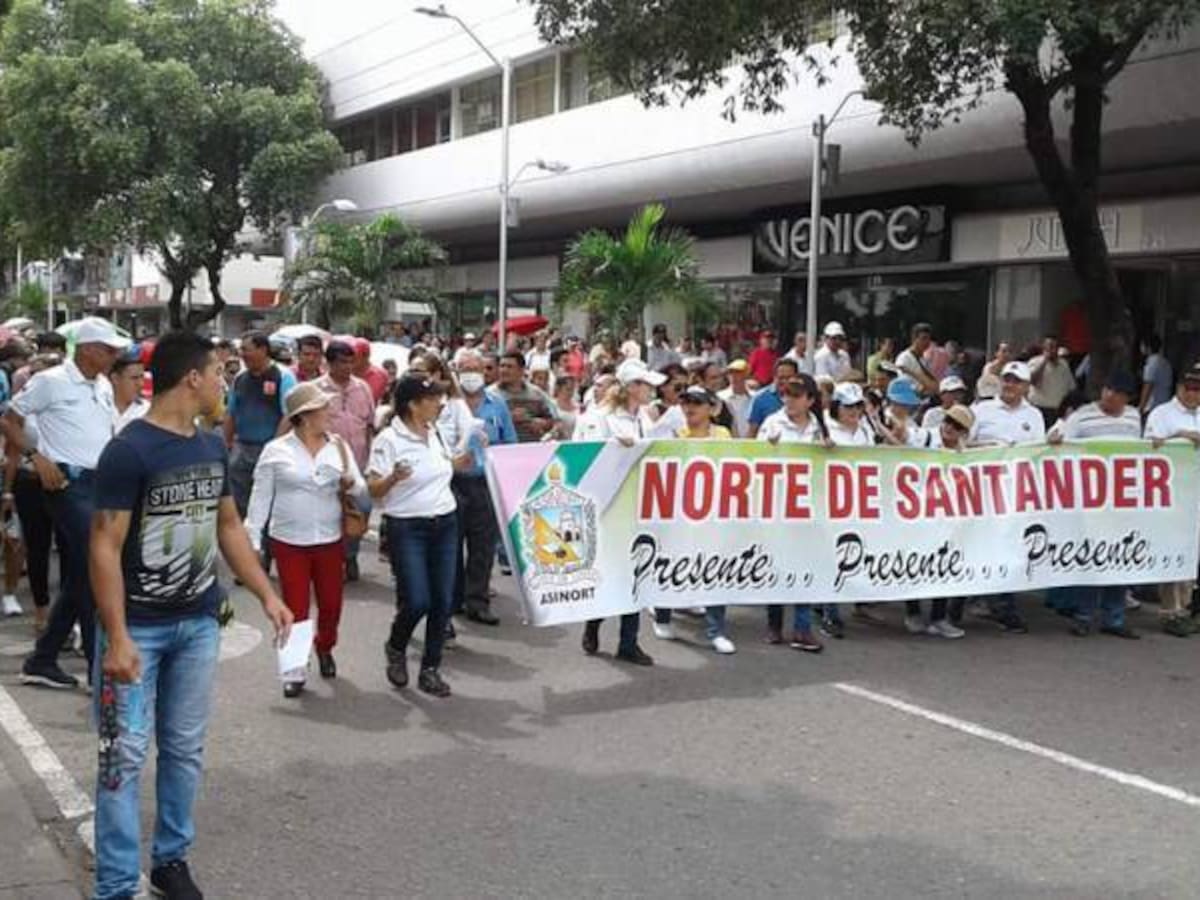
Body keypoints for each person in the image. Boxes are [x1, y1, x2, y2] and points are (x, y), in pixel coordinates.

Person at [90, 331, 292, 900]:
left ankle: (170, 861)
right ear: (192, 379)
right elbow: (104, 544)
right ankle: (113, 885)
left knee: (183, 750)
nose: (225, 383)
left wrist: (266, 593)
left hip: (198, 625)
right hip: (140, 631)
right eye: (218, 372)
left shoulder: (207, 447)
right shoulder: (129, 450)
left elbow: (227, 526)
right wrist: (118, 635)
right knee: (121, 758)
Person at [2, 318, 129, 689]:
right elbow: (9, 419)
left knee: (80, 576)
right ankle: (96, 666)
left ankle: (42, 659)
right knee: (94, 569)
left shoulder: (103, 384)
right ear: (87, 348)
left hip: (99, 484)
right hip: (66, 483)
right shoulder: (50, 381)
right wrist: (36, 457)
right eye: (107, 349)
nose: (113, 356)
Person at [247, 380, 365, 695]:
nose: (329, 412)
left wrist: (348, 482)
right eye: (322, 408)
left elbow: (362, 490)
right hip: (288, 541)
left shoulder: (337, 446)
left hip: (328, 539)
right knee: (295, 607)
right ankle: (294, 667)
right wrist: (253, 541)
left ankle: (325, 646)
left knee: (331, 605)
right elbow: (260, 498)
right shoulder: (276, 451)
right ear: (304, 415)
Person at [370, 375, 465, 698]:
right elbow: (373, 489)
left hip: (446, 522)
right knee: (418, 600)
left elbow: (442, 467)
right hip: (408, 526)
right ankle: (396, 646)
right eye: (432, 399)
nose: (439, 404)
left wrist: (459, 463)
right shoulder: (388, 439)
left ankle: (430, 669)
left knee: (443, 600)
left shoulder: (434, 432)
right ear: (413, 404)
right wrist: (393, 478)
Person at [580, 359, 668, 666]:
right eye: (646, 385)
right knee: (610, 572)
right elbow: (584, 455)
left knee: (637, 572)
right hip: (608, 505)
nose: (651, 391)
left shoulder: (644, 416)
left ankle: (628, 642)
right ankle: (594, 622)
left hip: (640, 503)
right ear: (632, 387)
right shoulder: (600, 417)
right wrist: (612, 447)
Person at [1045, 371, 1141, 640]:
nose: (1110, 395)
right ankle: (1083, 616)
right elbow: (1056, 436)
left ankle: (1115, 617)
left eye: (1117, 392)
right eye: (1108, 389)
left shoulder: (1134, 417)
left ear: (1127, 398)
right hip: (1091, 500)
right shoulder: (1082, 415)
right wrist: (1054, 437)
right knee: (1091, 557)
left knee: (1120, 558)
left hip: (1123, 501)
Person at [651, 386, 736, 654]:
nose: (690, 409)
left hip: (713, 514)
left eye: (697, 403)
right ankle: (662, 615)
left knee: (715, 569)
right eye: (686, 403)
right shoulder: (674, 435)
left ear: (711, 408)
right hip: (677, 513)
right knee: (669, 563)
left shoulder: (723, 435)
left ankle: (716, 631)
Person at [970, 361, 1044, 633]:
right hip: (983, 492)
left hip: (1016, 494)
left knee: (1011, 545)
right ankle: (979, 598)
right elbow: (964, 444)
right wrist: (992, 448)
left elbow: (1039, 451)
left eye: (1016, 381)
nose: (1010, 385)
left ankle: (1003, 604)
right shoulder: (982, 410)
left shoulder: (1034, 415)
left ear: (1026, 386)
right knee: (982, 544)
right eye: (1007, 380)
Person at [758, 374, 828, 652]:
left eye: (797, 395)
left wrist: (829, 451)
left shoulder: (819, 427)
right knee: (778, 564)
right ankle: (774, 624)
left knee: (805, 565)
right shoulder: (773, 423)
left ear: (810, 400)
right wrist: (769, 448)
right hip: (777, 506)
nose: (790, 400)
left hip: (808, 508)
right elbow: (753, 459)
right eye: (786, 394)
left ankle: (802, 628)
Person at [456, 352, 516, 624]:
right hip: (452, 481)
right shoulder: (448, 405)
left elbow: (510, 443)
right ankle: (453, 598)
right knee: (451, 544)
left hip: (485, 482)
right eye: (464, 369)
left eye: (475, 368)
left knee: (482, 545)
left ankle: (477, 601)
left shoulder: (497, 404)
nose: (471, 374)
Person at [903, 404, 972, 638]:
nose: (950, 427)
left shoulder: (964, 452)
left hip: (946, 517)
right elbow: (903, 437)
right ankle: (912, 613)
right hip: (916, 512)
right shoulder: (926, 436)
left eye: (958, 426)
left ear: (965, 432)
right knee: (913, 563)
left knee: (943, 565)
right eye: (949, 421)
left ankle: (938, 618)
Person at [1145, 363, 1200, 637]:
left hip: (1196, 495)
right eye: (1188, 388)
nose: (1192, 394)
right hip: (1172, 495)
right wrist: (1180, 436)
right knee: (1173, 550)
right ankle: (1170, 610)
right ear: (1178, 388)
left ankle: (1187, 608)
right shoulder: (1162, 414)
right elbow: (1149, 448)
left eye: (1197, 389)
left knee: (1193, 554)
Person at [313, 340, 375, 583]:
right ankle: (328, 562)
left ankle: (350, 555)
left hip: (357, 465)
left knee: (362, 508)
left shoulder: (363, 388)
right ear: (329, 363)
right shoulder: (316, 390)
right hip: (327, 465)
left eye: (351, 362)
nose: (348, 367)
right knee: (328, 514)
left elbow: (369, 425)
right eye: (342, 362)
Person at [224, 331, 297, 522]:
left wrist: (273, 447)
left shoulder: (283, 376)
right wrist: (227, 445)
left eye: (246, 349)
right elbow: (231, 413)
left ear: (263, 349)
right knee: (239, 502)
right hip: (242, 449)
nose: (242, 354)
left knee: (267, 503)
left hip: (271, 450)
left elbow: (289, 414)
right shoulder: (240, 379)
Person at [495, 352, 556, 443]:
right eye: (502, 366)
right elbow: (483, 423)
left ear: (521, 370)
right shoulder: (491, 395)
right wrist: (508, 418)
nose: (504, 370)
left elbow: (554, 420)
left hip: (530, 449)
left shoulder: (536, 394)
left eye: (509, 367)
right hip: (500, 449)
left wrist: (542, 424)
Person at [1029, 335, 1077, 427]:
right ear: (1044, 347)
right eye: (1050, 346)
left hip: (1058, 409)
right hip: (1040, 408)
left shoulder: (1063, 364)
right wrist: (1044, 361)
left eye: (1055, 347)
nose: (1052, 350)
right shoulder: (1034, 362)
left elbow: (1071, 387)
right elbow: (1033, 381)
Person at [747, 357, 801, 438]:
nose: (785, 382)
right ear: (774, 377)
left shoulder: (803, 398)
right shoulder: (760, 399)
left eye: (789, 378)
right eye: (781, 378)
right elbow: (752, 433)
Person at [110, 347, 150, 434]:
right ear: (115, 379)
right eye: (134, 378)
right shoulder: (101, 406)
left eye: (142, 377)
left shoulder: (148, 412)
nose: (141, 384)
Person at [894, 323, 939, 396]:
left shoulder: (924, 359)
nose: (927, 342)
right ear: (914, 339)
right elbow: (904, 383)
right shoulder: (904, 358)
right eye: (923, 338)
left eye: (929, 339)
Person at [718, 359, 754, 437]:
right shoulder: (720, 397)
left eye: (738, 373)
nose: (733, 376)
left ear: (746, 374)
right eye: (730, 373)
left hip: (751, 444)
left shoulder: (755, 398)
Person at [1140, 335, 1173, 415]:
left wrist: (1141, 407)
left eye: (1142, 345)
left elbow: (1148, 386)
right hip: (1164, 404)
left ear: (1148, 347)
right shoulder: (1165, 362)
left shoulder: (1152, 363)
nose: (1141, 348)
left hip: (1153, 407)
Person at [352, 337, 389, 403]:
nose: (351, 358)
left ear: (366, 356)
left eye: (355, 355)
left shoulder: (381, 375)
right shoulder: (345, 373)